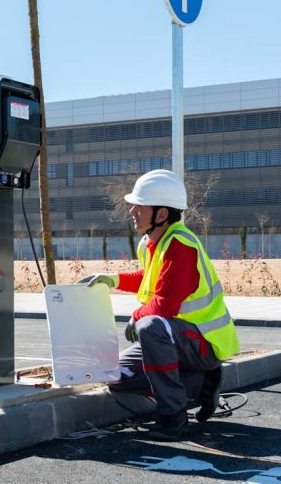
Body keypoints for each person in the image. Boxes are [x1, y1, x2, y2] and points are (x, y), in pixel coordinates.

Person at [85, 169, 239, 440]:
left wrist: (136, 316)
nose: (132, 211)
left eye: (139, 206)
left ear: (162, 214)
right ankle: (201, 382)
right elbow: (150, 279)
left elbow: (164, 305)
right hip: (181, 341)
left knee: (150, 326)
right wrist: (112, 280)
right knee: (115, 375)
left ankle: (173, 416)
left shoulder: (181, 245)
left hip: (204, 343)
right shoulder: (152, 243)